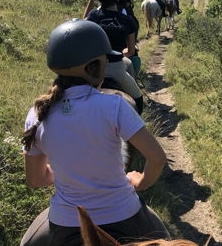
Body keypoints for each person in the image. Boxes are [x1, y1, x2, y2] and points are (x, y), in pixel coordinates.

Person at [20, 20, 170, 245]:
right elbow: (157, 158)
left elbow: (36, 179)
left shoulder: (37, 114)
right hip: (125, 215)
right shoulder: (115, 106)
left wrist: (65, 171)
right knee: (166, 238)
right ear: (94, 67)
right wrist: (141, 182)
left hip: (65, 222)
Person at [84, 0, 144, 114]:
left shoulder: (93, 15)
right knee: (138, 97)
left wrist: (91, 0)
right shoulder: (127, 21)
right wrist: (120, 53)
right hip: (116, 67)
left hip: (92, 69)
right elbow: (131, 51)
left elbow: (82, 27)